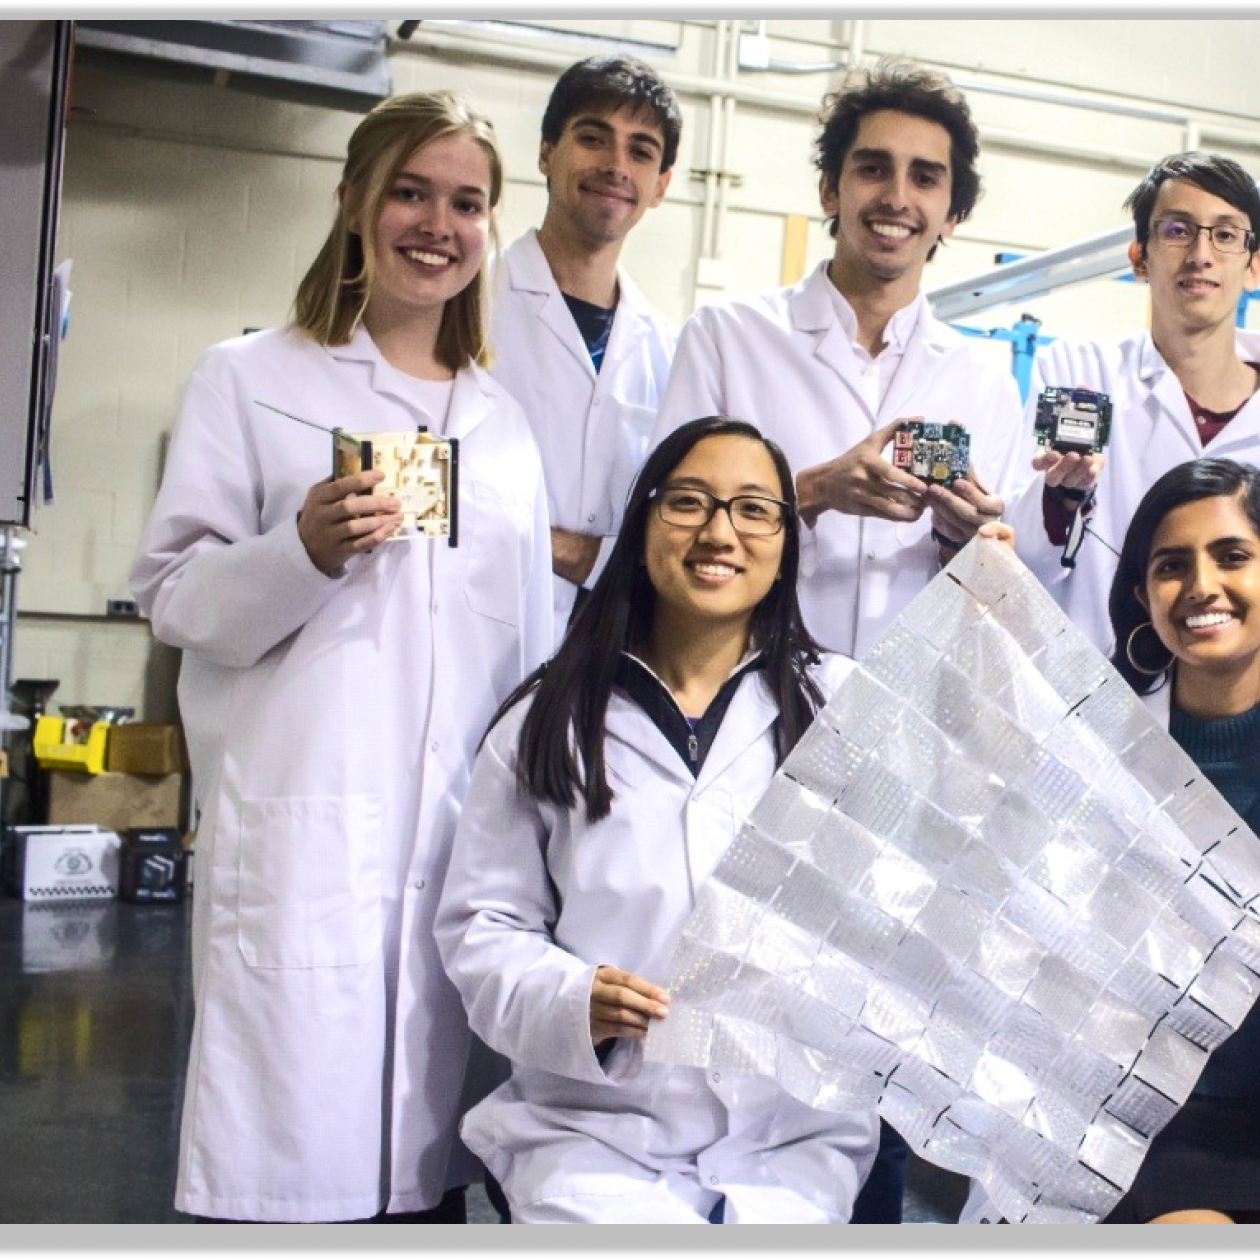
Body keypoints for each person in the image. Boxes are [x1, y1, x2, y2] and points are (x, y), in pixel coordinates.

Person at [129, 91, 555, 1223]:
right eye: (410, 191)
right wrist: (300, 550)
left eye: (467, 202)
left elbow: (530, 654)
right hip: (306, 843)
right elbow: (175, 597)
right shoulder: (251, 378)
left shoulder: (500, 427)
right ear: (353, 201)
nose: (437, 223)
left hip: (458, 851)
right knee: (287, 1171)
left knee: (429, 1182)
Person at [437, 417, 956, 1222]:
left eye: (755, 509)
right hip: (592, 1137)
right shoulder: (549, 718)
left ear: (788, 540)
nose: (720, 530)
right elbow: (482, 924)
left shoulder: (847, 708)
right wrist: (573, 1000)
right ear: (643, 525)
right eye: (689, 502)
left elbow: (913, 908)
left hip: (794, 1142)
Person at [993, 458, 1260, 1224]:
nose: (1201, 586)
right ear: (1141, 594)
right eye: (1170, 566)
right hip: (1138, 1123)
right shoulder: (1092, 755)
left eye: (1231, 557)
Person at [653, 58, 1026, 660]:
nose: (897, 197)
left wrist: (971, 540)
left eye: (925, 178)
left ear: (953, 213)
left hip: (914, 701)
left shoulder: (983, 379)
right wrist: (815, 489)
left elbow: (1002, 585)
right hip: (748, 680)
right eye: (873, 169)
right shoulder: (728, 338)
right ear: (831, 188)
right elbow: (668, 527)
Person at [1005, 152, 1260, 711]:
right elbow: (1015, 558)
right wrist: (1059, 498)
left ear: (1255, 263)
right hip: (1091, 717)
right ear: (1139, 258)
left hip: (1242, 728)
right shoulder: (1078, 376)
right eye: (1177, 230)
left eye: (1224, 235)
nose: (1200, 255)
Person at [490, 55, 683, 640]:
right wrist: (573, 551)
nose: (616, 166)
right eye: (593, 138)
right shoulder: (468, 307)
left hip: (608, 649)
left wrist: (584, 555)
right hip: (480, 631)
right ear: (547, 152)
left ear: (661, 187)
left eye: (641, 150)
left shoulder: (668, 347)